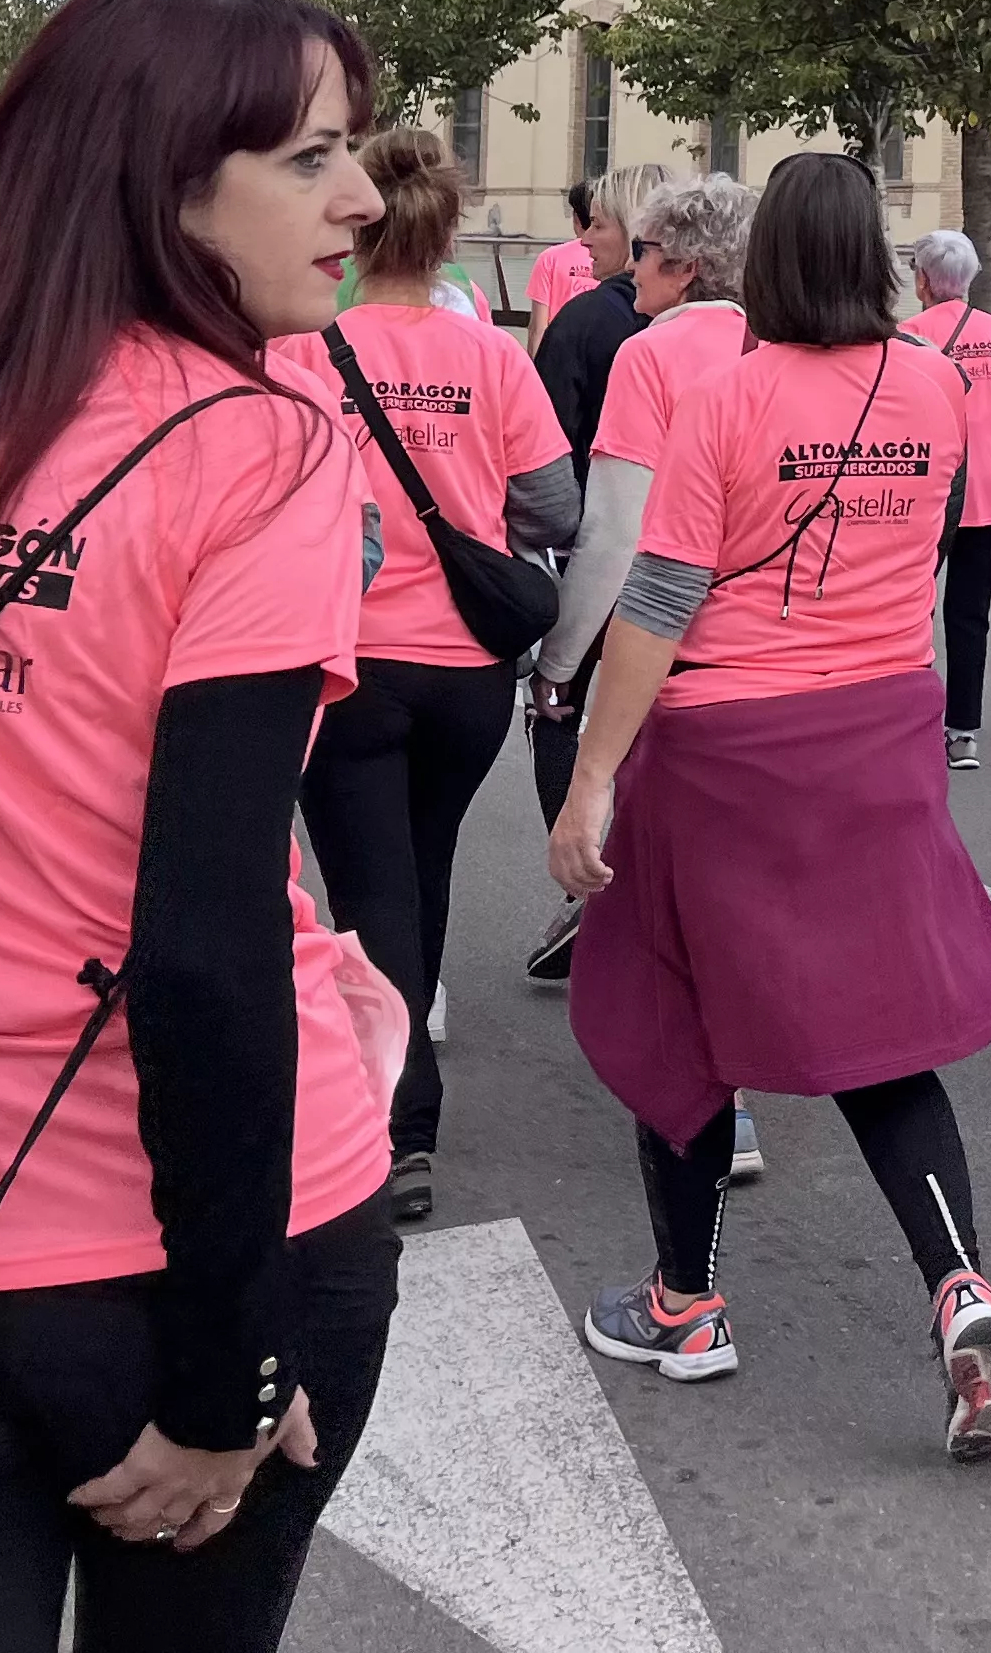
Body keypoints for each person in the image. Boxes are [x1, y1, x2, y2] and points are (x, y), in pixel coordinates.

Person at [0, 0, 402, 1645]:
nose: (366, 196)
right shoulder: (260, 445)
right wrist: (224, 1366)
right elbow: (200, 938)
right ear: (167, 175)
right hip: (194, 1238)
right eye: (316, 155)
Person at [547, 153, 991, 1457]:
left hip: (726, 746)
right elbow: (927, 550)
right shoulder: (935, 386)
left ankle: (687, 1304)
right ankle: (963, 1290)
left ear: (762, 262)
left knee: (681, 1023)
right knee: (884, 1042)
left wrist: (592, 776)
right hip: (878, 728)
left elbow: (659, 600)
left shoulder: (723, 396)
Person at [278, 128, 576, 1228]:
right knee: (422, 868)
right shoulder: (494, 358)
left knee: (369, 891)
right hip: (467, 667)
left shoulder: (311, 348)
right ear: (450, 233)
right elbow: (554, 509)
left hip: (350, 657)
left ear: (355, 229)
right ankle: (404, 1069)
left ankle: (402, 1121)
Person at [525, 174, 753, 983]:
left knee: (658, 858)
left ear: (686, 266)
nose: (631, 272)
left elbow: (618, 528)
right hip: (762, 642)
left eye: (645, 253)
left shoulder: (650, 353)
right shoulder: (775, 347)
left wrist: (560, 660)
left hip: (666, 638)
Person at [903, 230, 991, 769]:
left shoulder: (908, 336)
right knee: (971, 614)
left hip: (930, 492)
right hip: (990, 493)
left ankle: (911, 721)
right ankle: (964, 731)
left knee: (911, 608)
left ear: (923, 279)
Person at [528, 166, 661, 466]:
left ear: (634, 232)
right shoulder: (721, 322)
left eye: (598, 226)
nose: (585, 239)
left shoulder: (581, 322)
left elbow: (545, 446)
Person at [527, 181, 603, 337]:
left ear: (576, 218)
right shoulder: (616, 261)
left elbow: (538, 327)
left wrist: (535, 361)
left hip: (558, 350)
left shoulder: (549, 258)